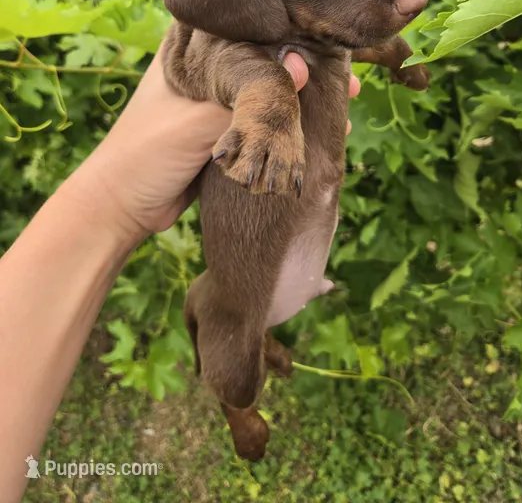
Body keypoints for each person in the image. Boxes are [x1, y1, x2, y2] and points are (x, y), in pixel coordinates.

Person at [0, 46, 360, 501]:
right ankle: (237, 402)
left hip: (288, 245)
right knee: (238, 372)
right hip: (243, 286)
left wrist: (112, 201)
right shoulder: (233, 50)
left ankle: (258, 341)